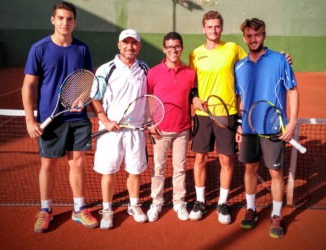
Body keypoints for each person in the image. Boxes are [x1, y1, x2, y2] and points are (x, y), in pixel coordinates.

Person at [189, 11, 292, 224]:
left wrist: (282, 60)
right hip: (202, 114)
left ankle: (223, 203)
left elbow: (255, 58)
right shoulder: (194, 54)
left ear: (222, 27)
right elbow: (193, 84)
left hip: (227, 114)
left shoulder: (233, 49)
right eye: (209, 26)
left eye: (217, 26)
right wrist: (195, 97)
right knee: (200, 158)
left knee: (226, 159)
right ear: (203, 28)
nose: (213, 30)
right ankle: (200, 201)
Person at [22, 2, 98, 233]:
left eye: (69, 19)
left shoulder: (82, 49)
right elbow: (28, 85)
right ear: (53, 20)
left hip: (77, 119)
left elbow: (89, 81)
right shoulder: (39, 48)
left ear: (75, 22)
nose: (65, 23)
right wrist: (29, 119)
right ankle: (45, 210)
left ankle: (78, 208)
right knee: (48, 166)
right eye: (60, 18)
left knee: (77, 164)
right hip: (50, 120)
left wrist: (83, 97)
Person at [235, 18, 299, 239]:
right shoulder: (240, 66)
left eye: (257, 35)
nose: (253, 39)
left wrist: (292, 122)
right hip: (250, 128)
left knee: (275, 173)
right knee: (250, 170)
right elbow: (239, 98)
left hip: (273, 127)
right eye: (249, 35)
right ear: (245, 38)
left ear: (263, 35)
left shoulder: (280, 60)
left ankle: (276, 214)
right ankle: (251, 209)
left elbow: (292, 90)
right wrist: (239, 126)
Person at [91, 29, 149, 230]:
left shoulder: (144, 69)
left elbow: (148, 97)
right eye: (126, 42)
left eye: (134, 43)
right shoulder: (105, 69)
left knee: (134, 171)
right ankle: (107, 210)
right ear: (119, 45)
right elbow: (95, 97)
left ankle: (134, 206)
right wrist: (104, 120)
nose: (130, 46)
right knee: (109, 172)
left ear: (139, 46)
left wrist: (147, 120)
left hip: (135, 131)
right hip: (110, 131)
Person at [146, 32, 195, 222]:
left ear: (181, 48)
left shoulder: (190, 73)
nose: (173, 50)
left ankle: (179, 202)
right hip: (160, 130)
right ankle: (157, 202)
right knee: (158, 168)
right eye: (169, 47)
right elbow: (148, 98)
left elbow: (193, 95)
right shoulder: (153, 72)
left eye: (176, 47)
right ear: (164, 49)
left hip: (182, 129)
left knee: (179, 168)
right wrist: (151, 123)